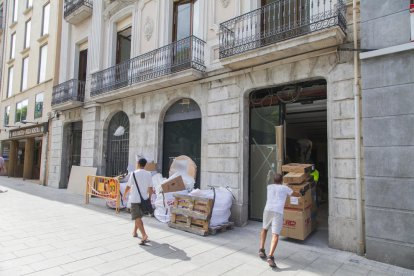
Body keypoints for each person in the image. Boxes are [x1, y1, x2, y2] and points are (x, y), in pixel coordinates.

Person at [258, 173, 297, 268]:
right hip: (278, 212)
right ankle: (270, 257)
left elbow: (276, 188)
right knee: (275, 234)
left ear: (274, 180)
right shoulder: (285, 188)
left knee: (264, 229)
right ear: (282, 181)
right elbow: (295, 194)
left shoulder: (269, 187)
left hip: (267, 209)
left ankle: (261, 249)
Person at [123, 158, 153, 245]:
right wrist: (149, 199)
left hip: (135, 199)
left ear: (138, 164)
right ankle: (135, 232)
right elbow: (151, 188)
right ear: (145, 164)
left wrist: (124, 195)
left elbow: (128, 186)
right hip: (144, 199)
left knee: (137, 217)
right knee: (138, 216)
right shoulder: (148, 174)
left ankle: (144, 235)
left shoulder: (134, 173)